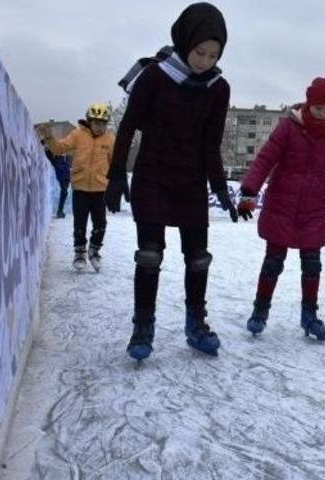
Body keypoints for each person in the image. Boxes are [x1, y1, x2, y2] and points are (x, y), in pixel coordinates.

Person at [106, 2, 238, 361]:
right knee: (149, 256)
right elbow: (129, 125)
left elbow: (210, 144)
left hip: (191, 183)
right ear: (185, 42)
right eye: (200, 52)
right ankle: (142, 327)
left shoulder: (218, 88)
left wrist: (220, 187)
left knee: (198, 258)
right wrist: (117, 173)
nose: (205, 61)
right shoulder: (154, 76)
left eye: (213, 55)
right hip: (152, 177)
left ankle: (196, 325)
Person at [236, 77, 325, 342]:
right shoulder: (287, 128)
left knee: (312, 265)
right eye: (319, 107)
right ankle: (260, 311)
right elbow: (265, 159)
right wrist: (249, 190)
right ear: (309, 103)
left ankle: (309, 315)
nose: (323, 114)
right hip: (282, 204)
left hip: (312, 208)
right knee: (273, 263)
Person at [38, 104, 114, 272]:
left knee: (100, 223)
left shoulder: (110, 139)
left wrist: (116, 182)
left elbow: (115, 163)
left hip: (100, 189)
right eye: (96, 123)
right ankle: (80, 253)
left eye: (103, 124)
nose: (100, 127)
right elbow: (59, 149)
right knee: (80, 224)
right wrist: (49, 137)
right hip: (80, 189)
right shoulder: (78, 135)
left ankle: (94, 251)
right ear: (89, 122)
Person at [41, 138, 72, 219]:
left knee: (64, 193)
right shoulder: (56, 159)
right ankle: (59, 211)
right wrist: (45, 146)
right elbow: (49, 154)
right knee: (64, 192)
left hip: (67, 176)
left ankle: (60, 211)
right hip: (62, 176)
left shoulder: (65, 157)